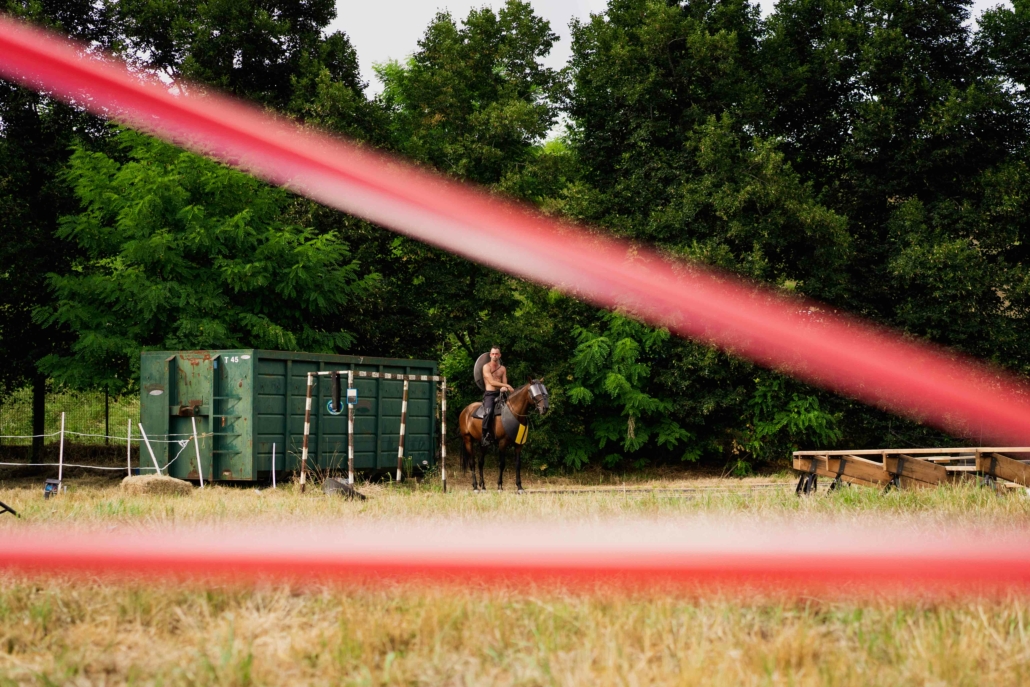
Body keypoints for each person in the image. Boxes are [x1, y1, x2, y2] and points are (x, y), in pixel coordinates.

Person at [481, 346, 514, 446]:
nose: (495, 356)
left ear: (499, 355)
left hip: (500, 393)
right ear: (490, 355)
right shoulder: (486, 367)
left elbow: (504, 381)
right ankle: (485, 435)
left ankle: (509, 433)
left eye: (497, 354)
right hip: (490, 394)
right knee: (489, 412)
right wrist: (507, 386)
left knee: (512, 409)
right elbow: (491, 382)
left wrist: (504, 388)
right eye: (493, 354)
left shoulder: (503, 369)